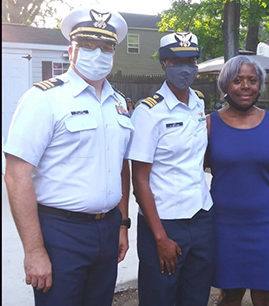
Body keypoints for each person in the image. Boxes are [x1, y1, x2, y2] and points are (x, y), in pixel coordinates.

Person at [3, 7, 134, 306]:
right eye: (87, 46)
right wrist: (34, 251)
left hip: (107, 229)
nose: (97, 53)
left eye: (105, 47)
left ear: (113, 53)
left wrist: (122, 224)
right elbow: (16, 174)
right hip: (61, 233)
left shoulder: (119, 103)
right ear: (70, 50)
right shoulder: (45, 98)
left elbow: (120, 166)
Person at [125, 32, 214, 306]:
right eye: (177, 61)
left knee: (196, 297)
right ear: (164, 64)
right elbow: (140, 180)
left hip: (201, 217)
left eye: (191, 60)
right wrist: (160, 237)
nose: (186, 68)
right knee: (159, 298)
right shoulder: (149, 113)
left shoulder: (198, 102)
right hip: (164, 222)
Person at [205, 55, 269, 306]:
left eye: (252, 80)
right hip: (224, 225)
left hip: (266, 224)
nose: (245, 86)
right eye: (237, 80)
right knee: (229, 295)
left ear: (260, 85)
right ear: (225, 85)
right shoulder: (209, 125)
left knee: (267, 295)